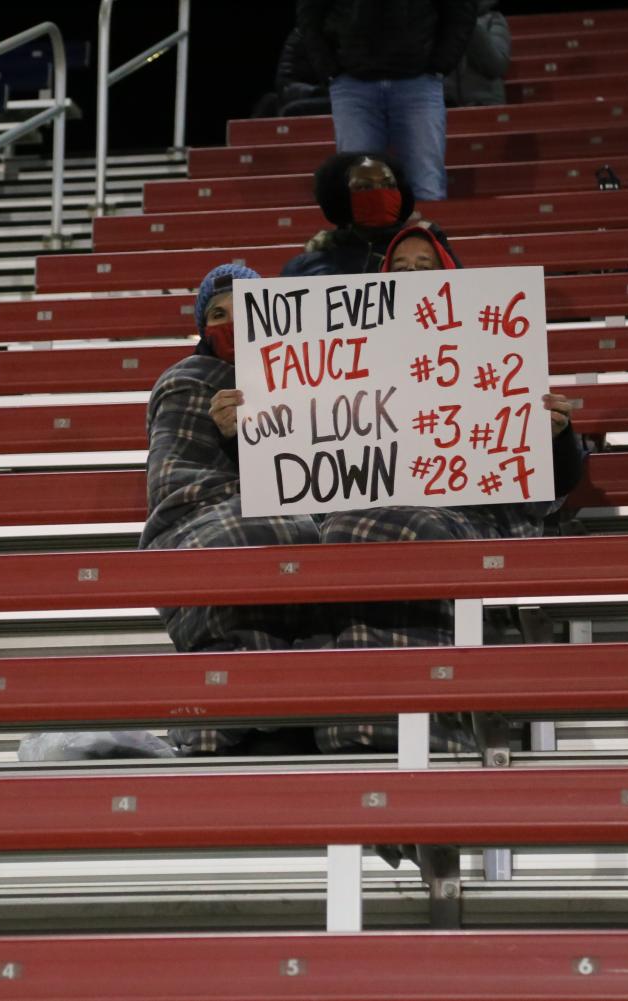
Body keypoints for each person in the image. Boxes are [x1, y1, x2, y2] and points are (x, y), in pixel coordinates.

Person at [310, 223, 587, 754]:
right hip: (367, 522)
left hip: (469, 521)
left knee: (395, 533)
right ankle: (376, 737)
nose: (412, 277)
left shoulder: (500, 354)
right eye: (401, 268)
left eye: (426, 268)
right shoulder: (341, 362)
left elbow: (558, 483)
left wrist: (555, 435)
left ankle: (422, 739)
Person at [143, 263, 331, 756]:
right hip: (215, 527)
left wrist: (250, 441)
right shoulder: (187, 381)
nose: (230, 323)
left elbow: (331, 476)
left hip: (298, 533)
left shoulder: (320, 378)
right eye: (218, 313)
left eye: (245, 311)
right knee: (244, 539)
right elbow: (177, 490)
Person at [296, 0, 480, 202]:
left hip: (418, 83)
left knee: (425, 186)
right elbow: (309, 15)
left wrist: (439, 65)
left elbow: (461, 12)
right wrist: (330, 70)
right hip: (353, 85)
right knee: (359, 189)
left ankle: (423, 234)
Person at [282, 151, 417, 277]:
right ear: (342, 197)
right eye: (364, 187)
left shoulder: (428, 250)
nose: (380, 194)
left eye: (389, 185)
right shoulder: (306, 266)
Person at [443, 0, 511, 108]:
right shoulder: (436, 20)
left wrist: (468, 22)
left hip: (485, 104)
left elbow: (496, 66)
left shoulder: (494, 19)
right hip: (444, 106)